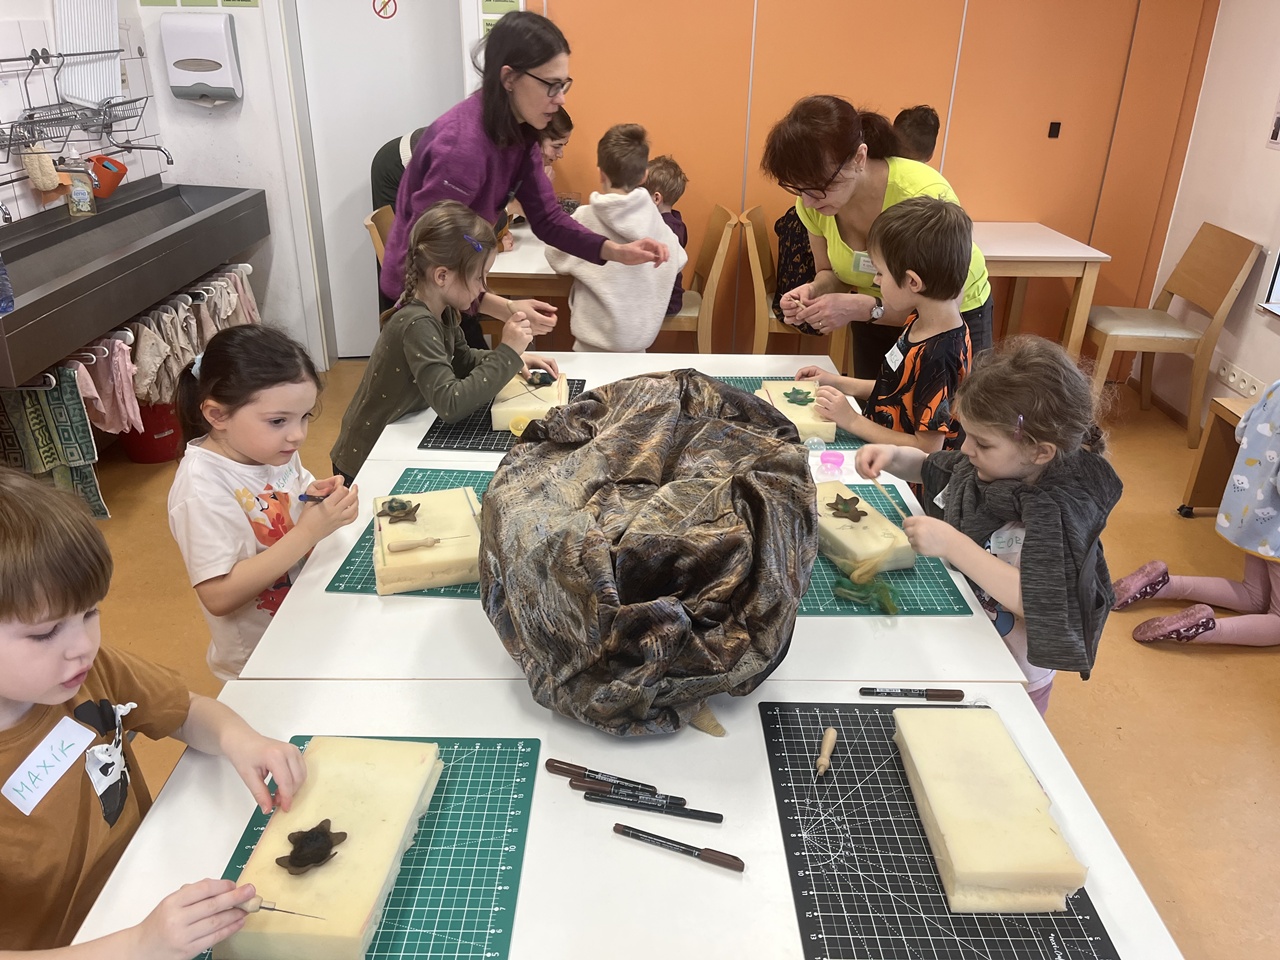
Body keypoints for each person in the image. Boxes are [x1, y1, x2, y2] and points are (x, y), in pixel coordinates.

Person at [0, 465, 306, 955]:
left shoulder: (85, 672)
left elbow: (183, 711)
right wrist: (137, 945)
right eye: (44, 633)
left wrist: (240, 739)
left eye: (90, 613)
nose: (83, 645)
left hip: (142, 886)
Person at [854, 336, 1122, 714]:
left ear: (1040, 451)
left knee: (1002, 737)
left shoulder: (1060, 514)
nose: (966, 449)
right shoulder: (998, 468)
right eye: (968, 435)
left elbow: (1036, 598)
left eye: (982, 443)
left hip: (1015, 675)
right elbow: (937, 468)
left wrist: (952, 544)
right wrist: (894, 457)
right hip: (969, 642)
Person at [381, 11, 668, 348]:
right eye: (551, 85)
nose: (561, 98)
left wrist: (616, 251)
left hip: (456, 290)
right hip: (420, 300)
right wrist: (501, 306)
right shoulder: (462, 148)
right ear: (510, 78)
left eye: (564, 85)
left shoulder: (521, 135)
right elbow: (429, 257)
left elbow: (548, 219)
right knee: (470, 378)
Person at [169, 326, 360, 681]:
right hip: (260, 662)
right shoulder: (201, 488)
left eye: (305, 417)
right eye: (278, 421)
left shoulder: (271, 450)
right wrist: (308, 532)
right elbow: (218, 595)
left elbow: (293, 493)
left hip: (303, 628)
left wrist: (317, 496)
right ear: (217, 415)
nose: (297, 435)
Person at [761, 95, 992, 379]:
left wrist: (864, 308)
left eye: (819, 187)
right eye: (798, 189)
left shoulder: (922, 195)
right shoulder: (814, 204)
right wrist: (813, 291)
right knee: (877, 400)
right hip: (872, 315)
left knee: (946, 406)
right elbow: (831, 272)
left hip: (949, 323)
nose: (807, 202)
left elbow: (944, 306)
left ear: (859, 158)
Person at [331, 202, 558, 483]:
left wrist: (513, 359)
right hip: (366, 461)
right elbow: (451, 404)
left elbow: (462, 360)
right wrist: (507, 352)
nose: (483, 287)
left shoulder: (444, 309)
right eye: (478, 277)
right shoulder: (417, 324)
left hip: (397, 440)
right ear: (442, 276)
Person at [797, 196, 971, 454]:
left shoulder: (938, 356)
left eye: (880, 272)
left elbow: (927, 450)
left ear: (913, 282)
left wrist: (851, 420)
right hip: (884, 455)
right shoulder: (923, 320)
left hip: (904, 475)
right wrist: (836, 381)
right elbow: (896, 391)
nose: (876, 281)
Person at [1115, 379, 1280, 645]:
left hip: (1255, 515)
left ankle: (1164, 585)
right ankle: (1207, 630)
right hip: (1276, 531)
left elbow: (1242, 431)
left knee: (1254, 596)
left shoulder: (1276, 388)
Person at [546, 124, 687, 352]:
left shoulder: (584, 217)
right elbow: (678, 259)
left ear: (601, 172)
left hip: (589, 346)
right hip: (638, 347)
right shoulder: (657, 222)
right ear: (644, 175)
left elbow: (555, 256)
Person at [645, 154, 690, 318]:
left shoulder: (667, 230)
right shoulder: (675, 221)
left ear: (656, 198)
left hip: (665, 301)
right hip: (664, 296)